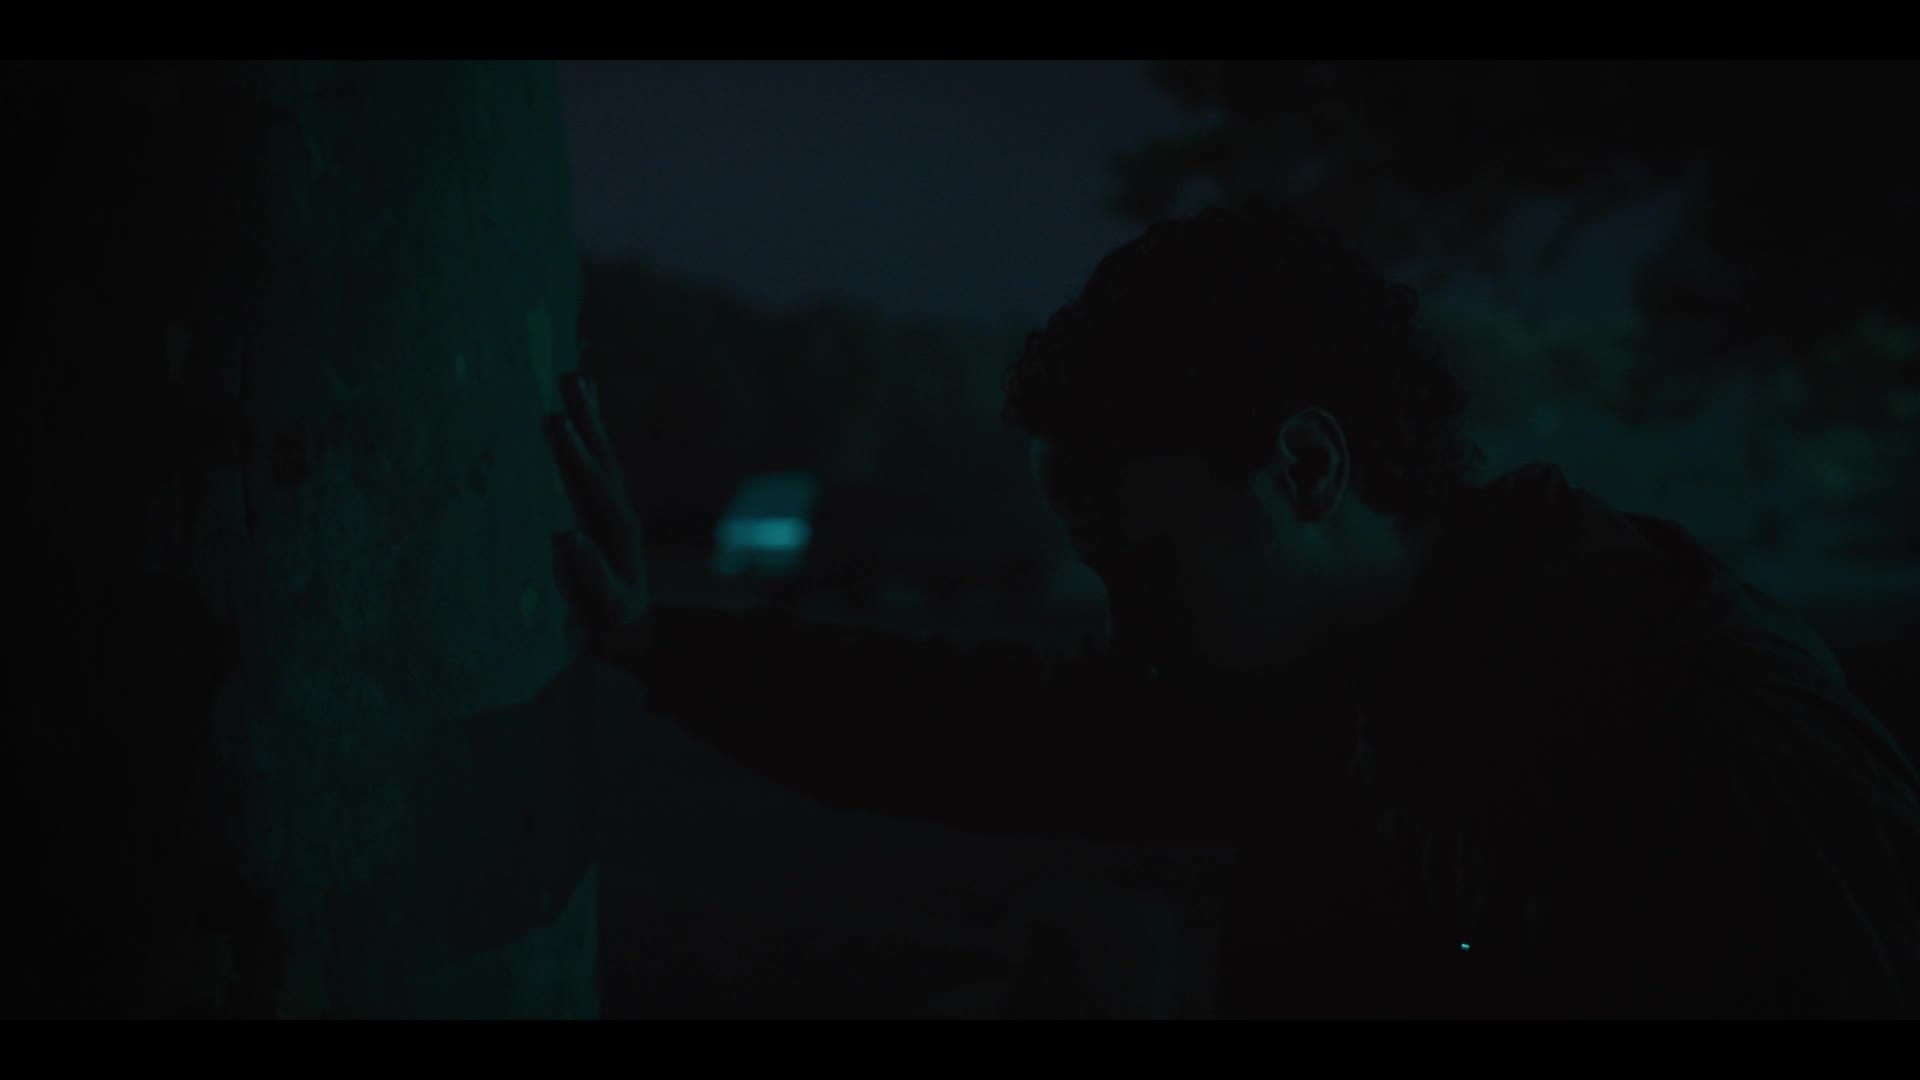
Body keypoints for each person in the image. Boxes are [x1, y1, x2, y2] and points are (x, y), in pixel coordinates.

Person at [545, 200, 1920, 1018]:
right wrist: (660, 640)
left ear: (1307, 469)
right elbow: (991, 730)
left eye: (1145, 562)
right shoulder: (1355, 681)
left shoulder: (1715, 746)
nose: (1125, 629)